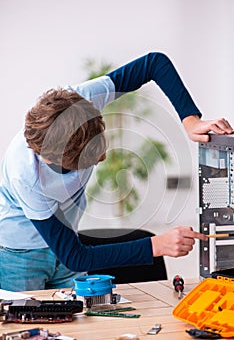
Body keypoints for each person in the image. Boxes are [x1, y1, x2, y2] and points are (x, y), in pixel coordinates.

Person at [0, 52, 233, 291]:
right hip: (21, 255)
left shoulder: (81, 105)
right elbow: (74, 256)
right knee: (26, 319)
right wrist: (156, 245)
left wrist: (190, 120)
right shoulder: (26, 174)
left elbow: (154, 63)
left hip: (70, 241)